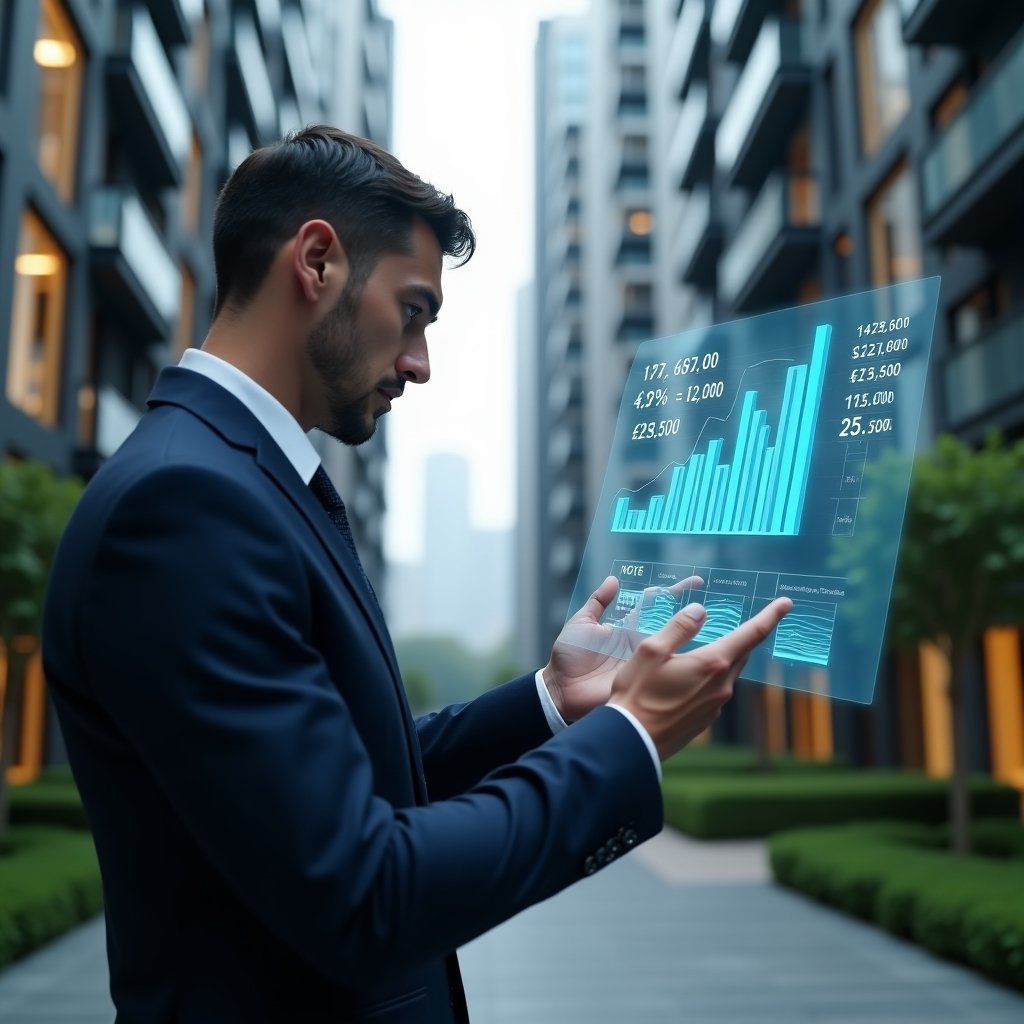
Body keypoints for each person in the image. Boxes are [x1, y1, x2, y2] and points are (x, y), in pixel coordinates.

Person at [42, 125, 791, 1023]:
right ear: (315, 261)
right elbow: (366, 895)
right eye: (414, 310)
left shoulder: (233, 481)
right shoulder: (184, 506)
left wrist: (553, 703)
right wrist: (630, 737)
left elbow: (352, 776)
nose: (420, 364)